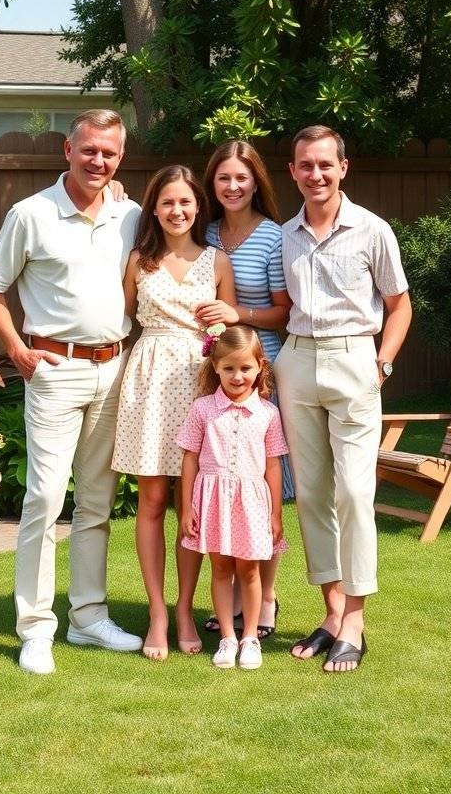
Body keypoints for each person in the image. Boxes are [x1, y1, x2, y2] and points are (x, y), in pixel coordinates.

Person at [0, 109, 143, 675]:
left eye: (110, 153)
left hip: (113, 368)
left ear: (121, 157)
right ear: (67, 150)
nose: (99, 161)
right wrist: (17, 350)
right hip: (53, 370)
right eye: (89, 150)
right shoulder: (32, 214)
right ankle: (36, 629)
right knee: (45, 500)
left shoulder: (131, 213)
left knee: (97, 503)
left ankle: (89, 619)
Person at [274, 124, 412, 673]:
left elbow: (399, 304)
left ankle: (356, 616)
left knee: (354, 493)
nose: (316, 174)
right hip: (298, 361)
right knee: (309, 495)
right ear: (293, 172)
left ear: (343, 168)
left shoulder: (373, 230)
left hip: (356, 358)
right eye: (306, 165)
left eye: (325, 164)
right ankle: (332, 612)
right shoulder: (286, 234)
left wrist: (383, 361)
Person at [111, 165, 236, 661]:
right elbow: (120, 319)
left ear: (198, 207)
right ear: (154, 208)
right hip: (148, 381)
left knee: (193, 504)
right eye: (167, 203)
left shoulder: (217, 261)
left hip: (201, 383)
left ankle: (185, 608)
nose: (177, 211)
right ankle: (157, 613)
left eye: (186, 202)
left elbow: (231, 334)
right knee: (153, 500)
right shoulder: (139, 261)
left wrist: (226, 319)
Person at [195, 140, 292, 639]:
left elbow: (284, 311)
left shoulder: (273, 237)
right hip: (216, 374)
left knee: (256, 485)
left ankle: (266, 596)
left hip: (261, 370)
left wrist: (240, 314)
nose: (233, 187)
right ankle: (229, 597)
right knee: (222, 482)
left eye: (242, 178)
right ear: (211, 184)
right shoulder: (204, 231)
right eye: (223, 178)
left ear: (257, 182)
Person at [179, 325, 288, 670]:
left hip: (253, 502)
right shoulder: (202, 409)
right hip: (212, 500)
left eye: (245, 368)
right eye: (229, 368)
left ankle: (250, 636)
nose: (237, 376)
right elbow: (190, 459)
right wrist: (186, 509)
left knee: (251, 570)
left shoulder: (269, 413)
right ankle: (227, 636)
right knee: (221, 568)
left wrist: (275, 514)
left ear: (260, 368)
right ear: (215, 367)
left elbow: (273, 466)